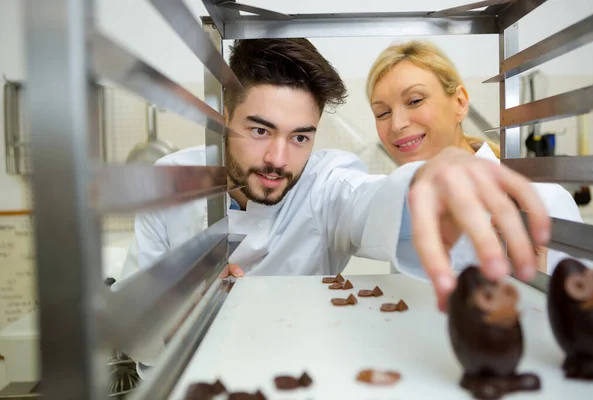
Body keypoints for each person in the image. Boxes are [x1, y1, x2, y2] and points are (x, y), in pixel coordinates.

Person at [119, 37, 551, 326]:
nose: (278, 159)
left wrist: (424, 183)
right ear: (224, 119)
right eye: (259, 130)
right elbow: (131, 325)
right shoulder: (173, 184)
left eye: (300, 136)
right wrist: (180, 312)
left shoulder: (326, 183)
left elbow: (369, 202)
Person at [365, 39, 583, 276]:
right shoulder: (403, 208)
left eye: (415, 100)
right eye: (382, 113)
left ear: (460, 102)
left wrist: (533, 285)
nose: (397, 124)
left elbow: (584, 307)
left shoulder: (541, 199)